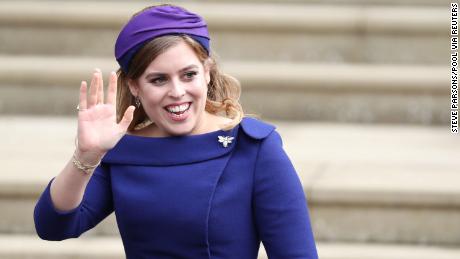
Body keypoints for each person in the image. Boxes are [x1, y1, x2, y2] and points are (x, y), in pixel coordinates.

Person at [33, 4, 318, 259]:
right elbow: (53, 226)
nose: (177, 92)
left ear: (207, 72)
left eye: (189, 75)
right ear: (134, 86)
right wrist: (85, 157)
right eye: (158, 80)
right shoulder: (123, 151)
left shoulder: (254, 148)